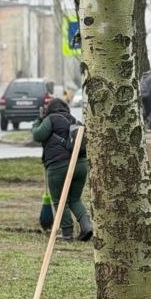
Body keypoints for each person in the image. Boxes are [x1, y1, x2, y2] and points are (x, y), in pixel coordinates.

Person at [31, 97, 91, 241]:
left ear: (50, 109)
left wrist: (38, 120)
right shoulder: (73, 120)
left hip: (58, 166)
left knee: (60, 200)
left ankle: (67, 233)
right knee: (75, 199)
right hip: (81, 165)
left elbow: (37, 135)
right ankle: (86, 227)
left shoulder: (50, 119)